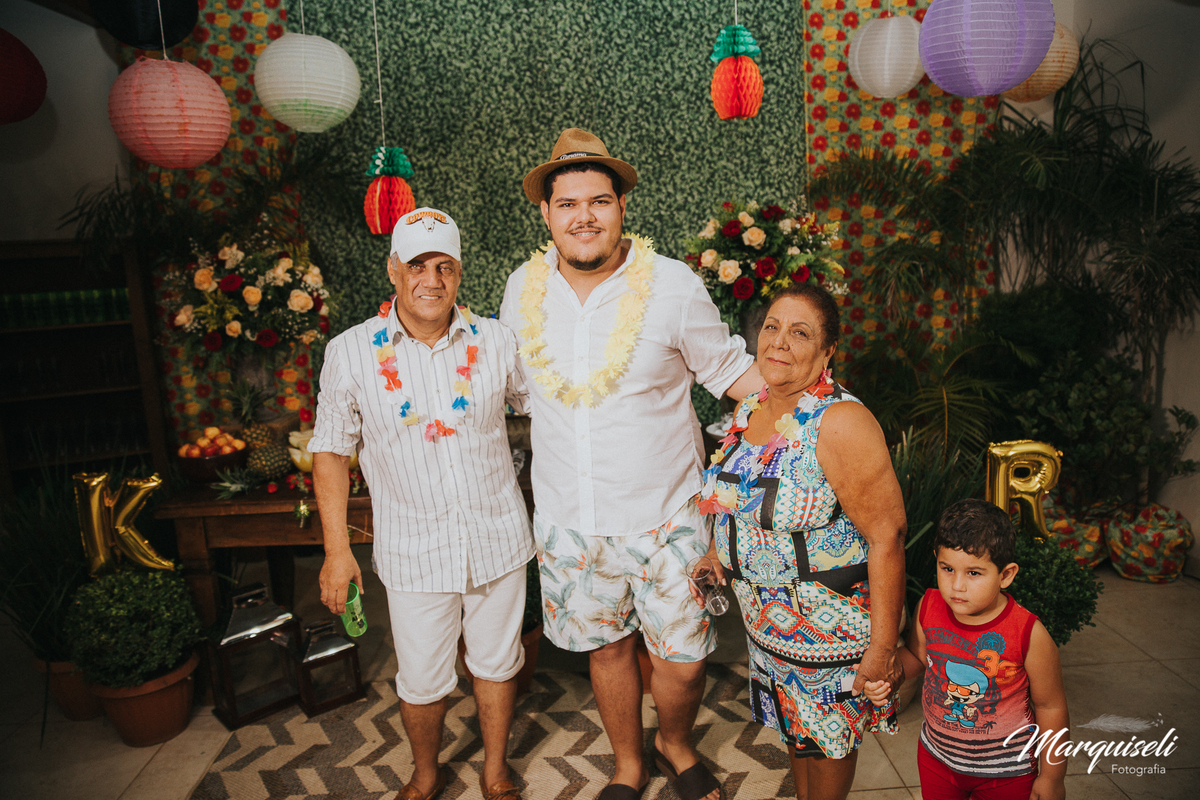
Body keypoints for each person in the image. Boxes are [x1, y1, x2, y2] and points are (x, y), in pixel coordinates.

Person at [499, 128, 763, 800]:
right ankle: (628, 765)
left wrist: (815, 403)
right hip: (570, 518)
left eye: (599, 201)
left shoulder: (671, 286)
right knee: (607, 649)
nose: (583, 216)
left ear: (621, 206)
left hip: (669, 513)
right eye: (568, 204)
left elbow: (732, 373)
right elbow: (514, 393)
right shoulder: (521, 290)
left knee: (683, 660)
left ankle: (675, 743)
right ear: (546, 213)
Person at [311, 207, 532, 800]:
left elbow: (550, 408)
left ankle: (494, 770)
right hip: (413, 550)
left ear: (459, 272)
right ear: (393, 270)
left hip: (497, 539)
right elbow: (330, 454)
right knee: (422, 678)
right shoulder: (351, 352)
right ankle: (426, 772)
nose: (431, 280)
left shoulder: (498, 341)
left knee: (497, 662)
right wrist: (337, 552)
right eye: (417, 266)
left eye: (445, 267)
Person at [694, 282, 907, 800]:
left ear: (827, 351)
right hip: (769, 627)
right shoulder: (751, 408)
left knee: (828, 741)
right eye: (772, 326)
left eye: (800, 333)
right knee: (798, 733)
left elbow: (888, 536)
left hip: (830, 632)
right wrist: (717, 552)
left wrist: (883, 649)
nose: (779, 341)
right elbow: (738, 494)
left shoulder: (840, 421)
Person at [863, 499, 1069, 800]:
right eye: (947, 568)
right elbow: (918, 657)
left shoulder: (1028, 633)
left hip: (1007, 772)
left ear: (1006, 575)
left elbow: (1051, 707)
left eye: (974, 573)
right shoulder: (929, 607)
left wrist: (1052, 777)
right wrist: (886, 678)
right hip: (937, 760)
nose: (957, 585)